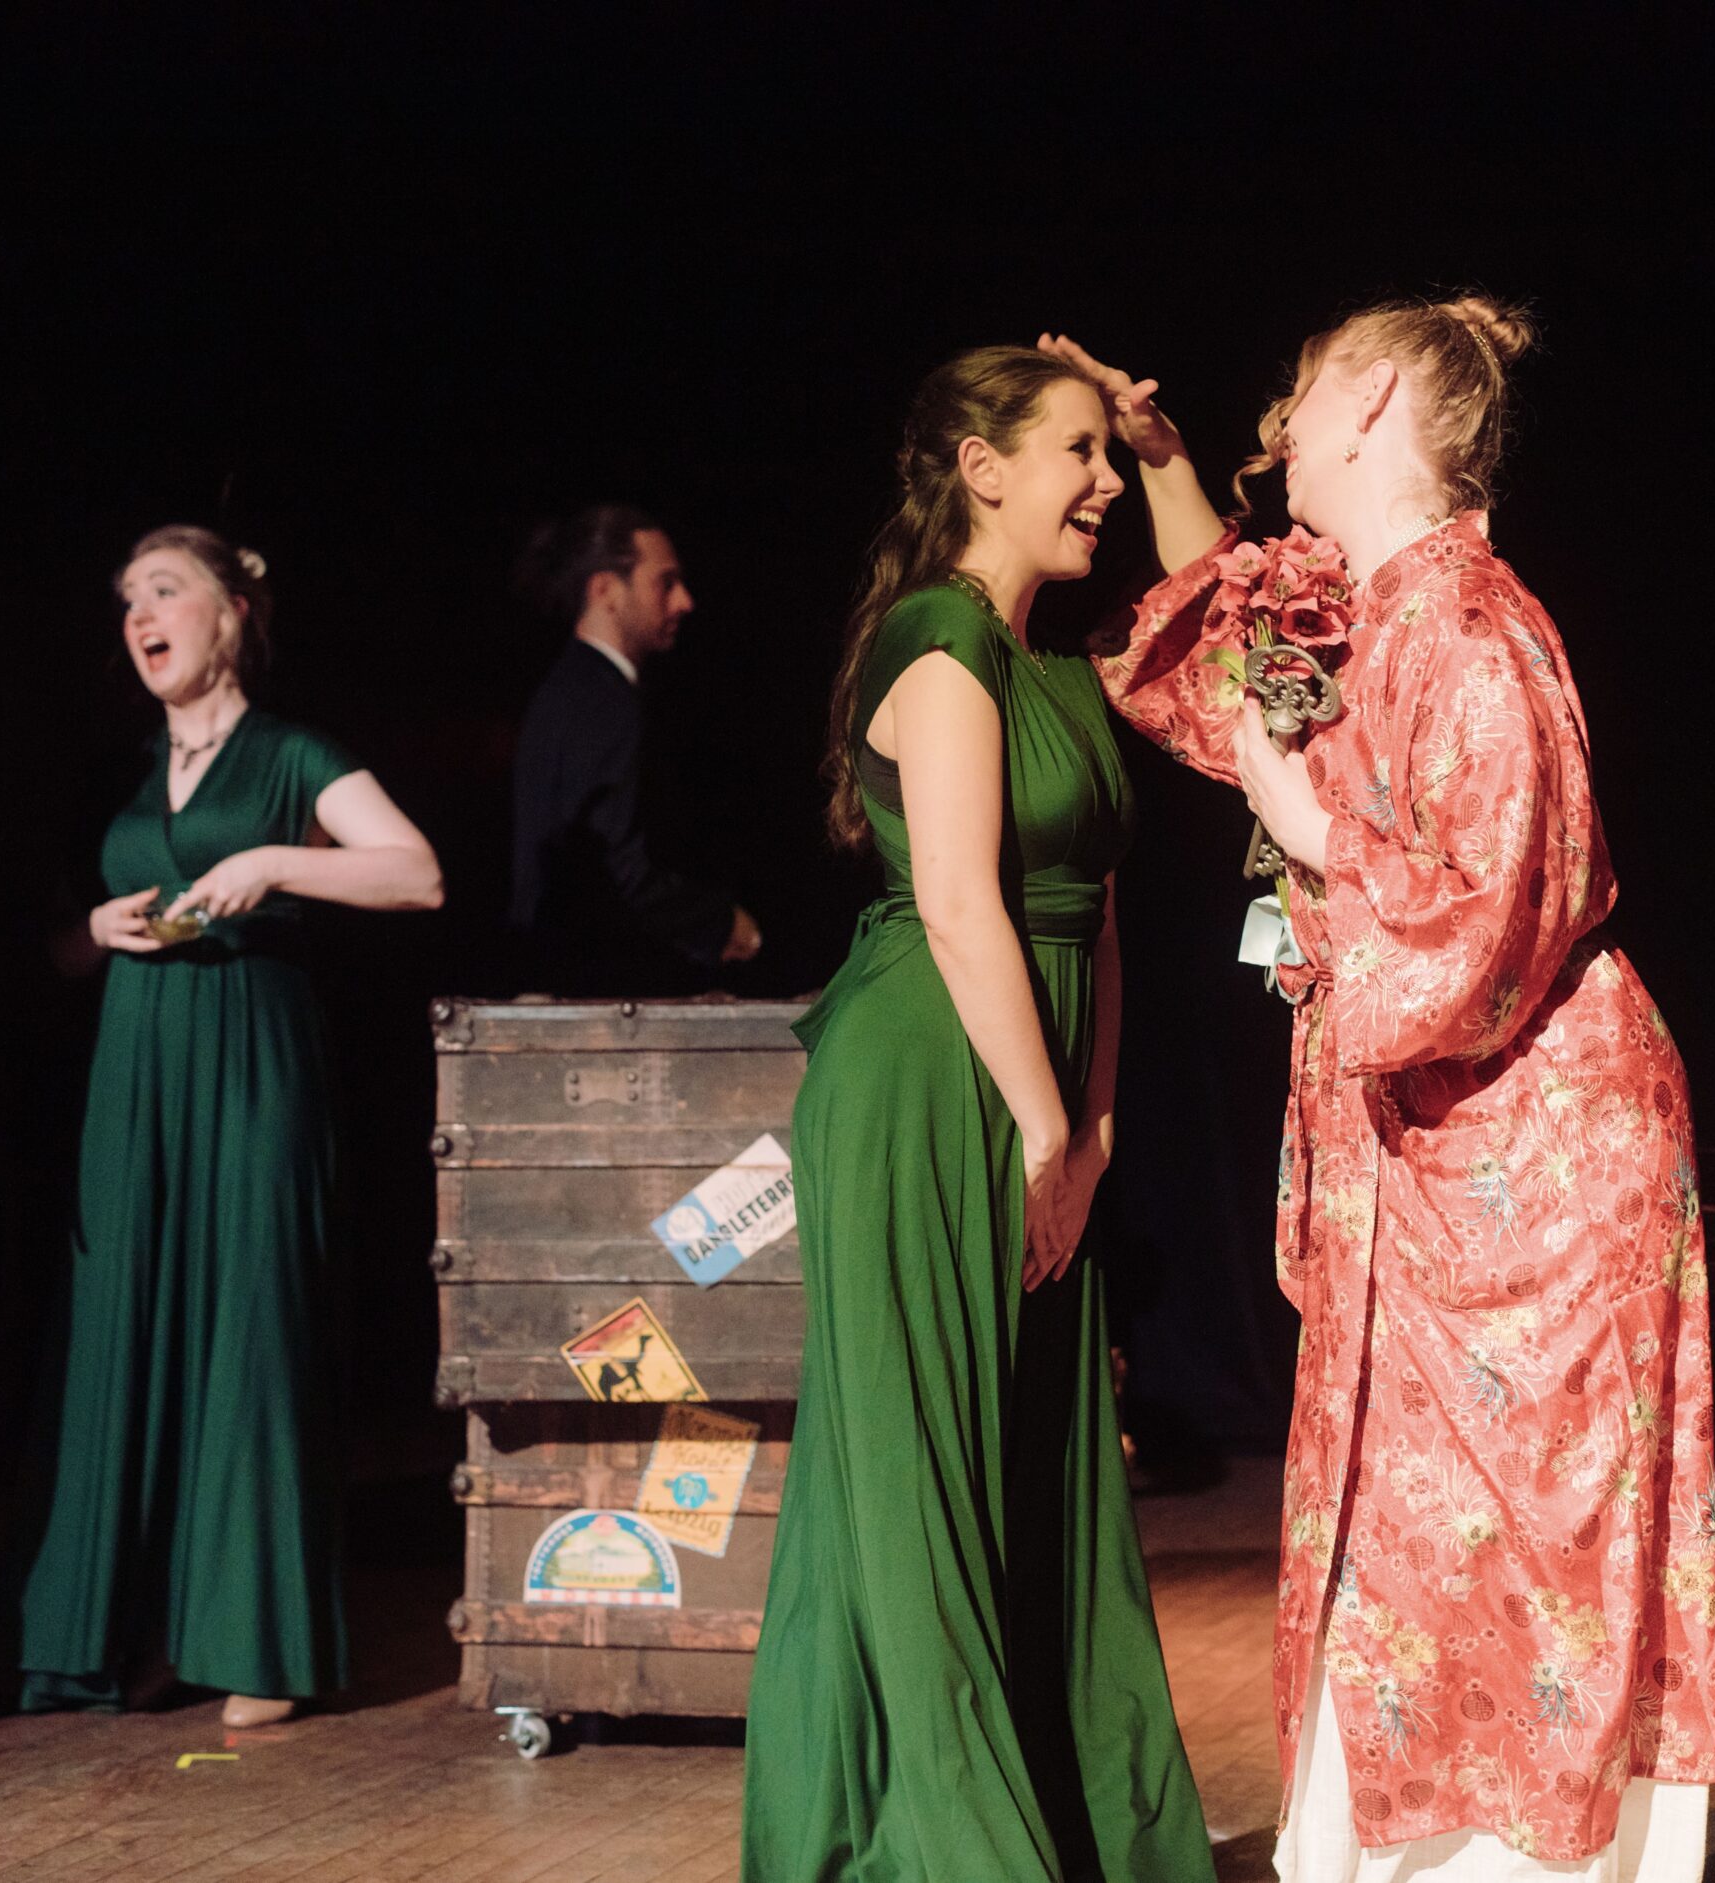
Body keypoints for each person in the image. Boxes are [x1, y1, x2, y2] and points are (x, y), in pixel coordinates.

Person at [1048, 306, 1715, 1879]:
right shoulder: (1377, 611)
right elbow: (1230, 670)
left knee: (1513, 1528)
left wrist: (1308, 826)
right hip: (1440, 1138)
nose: (1277, 415)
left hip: (1525, 1148)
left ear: (1370, 401)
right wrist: (1162, 467)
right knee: (1403, 1524)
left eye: (1303, 388)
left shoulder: (1470, 629)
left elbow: (1486, 913)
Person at [739, 348, 1214, 1883]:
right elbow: (956, 900)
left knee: (1038, 1463)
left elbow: (1103, 920)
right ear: (980, 467)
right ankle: (938, 1837)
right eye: (1076, 451)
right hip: (934, 1082)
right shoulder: (938, 639)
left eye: (1106, 458)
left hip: (1038, 1086)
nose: (1101, 484)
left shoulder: (1056, 659)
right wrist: (1043, 1128)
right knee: (922, 1464)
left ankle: (1058, 1816)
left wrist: (1098, 1121)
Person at [15, 525, 442, 1730]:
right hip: (136, 1068)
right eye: (127, 600)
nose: (140, 617)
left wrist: (276, 862)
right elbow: (52, 948)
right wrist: (91, 934)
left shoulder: (293, 754)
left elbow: (416, 872)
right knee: (132, 1320)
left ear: (234, 610)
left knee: (250, 1323)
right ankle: (145, 1628)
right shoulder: (127, 768)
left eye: (165, 590)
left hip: (250, 1061)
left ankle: (256, 1637)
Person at [507, 505, 759, 994]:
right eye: (666, 583)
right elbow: (617, 868)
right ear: (605, 590)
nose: (684, 601)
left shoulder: (565, 689)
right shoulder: (604, 701)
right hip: (597, 982)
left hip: (554, 970)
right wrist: (722, 924)